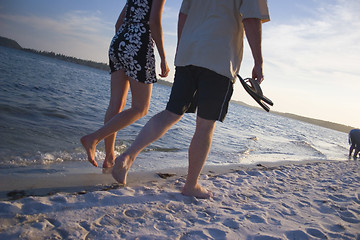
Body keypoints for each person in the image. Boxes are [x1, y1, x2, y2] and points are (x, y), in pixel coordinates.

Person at [112, 0, 270, 198]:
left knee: (170, 113)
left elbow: (182, 16)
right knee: (205, 125)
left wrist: (182, 47)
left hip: (188, 54)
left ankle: (127, 157)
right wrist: (259, 62)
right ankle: (191, 185)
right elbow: (251, 19)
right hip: (219, 58)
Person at [81, 0, 169, 169]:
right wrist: (163, 57)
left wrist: (124, 41)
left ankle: (109, 157)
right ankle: (93, 138)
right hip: (139, 44)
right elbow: (154, 21)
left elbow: (118, 23)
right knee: (141, 108)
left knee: (116, 104)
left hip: (119, 41)